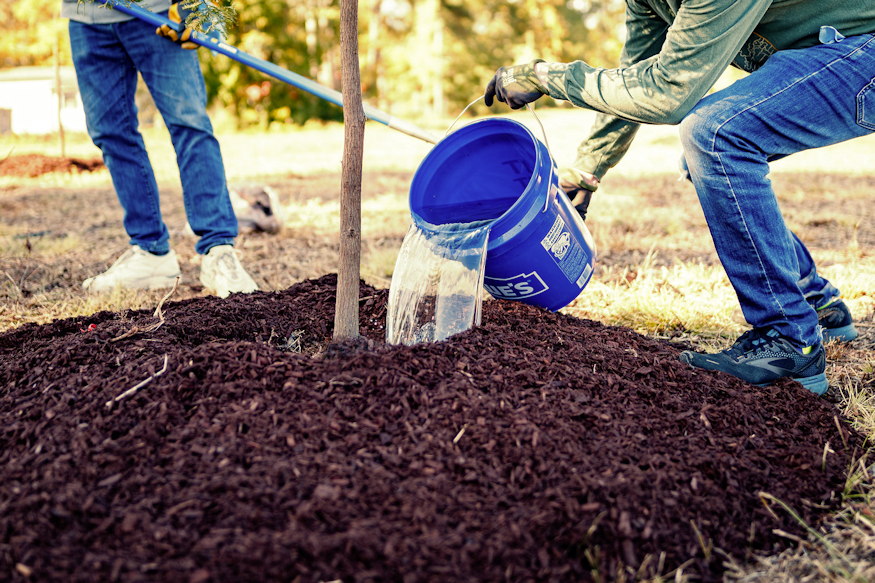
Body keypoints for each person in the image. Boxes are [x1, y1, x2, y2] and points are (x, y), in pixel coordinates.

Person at [484, 1, 873, 395]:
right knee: (707, 155)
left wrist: (545, 77)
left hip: (864, 49)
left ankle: (789, 338)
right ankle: (814, 299)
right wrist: (589, 167)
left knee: (715, 136)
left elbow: (669, 92)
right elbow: (636, 75)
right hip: (828, 51)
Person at [62, 0, 259, 298]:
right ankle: (151, 252)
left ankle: (218, 249)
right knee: (111, 133)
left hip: (158, 12)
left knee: (189, 124)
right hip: (87, 19)